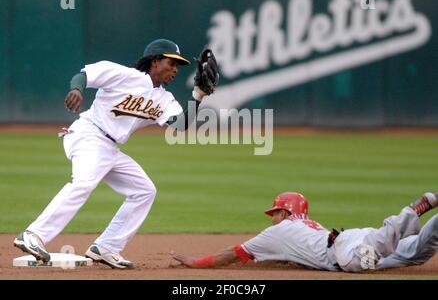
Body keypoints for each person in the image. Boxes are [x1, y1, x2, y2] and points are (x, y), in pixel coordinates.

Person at [13, 38, 218, 269]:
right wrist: (77, 90)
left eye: (178, 65)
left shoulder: (164, 99)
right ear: (154, 61)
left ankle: (106, 247)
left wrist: (198, 95)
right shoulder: (123, 75)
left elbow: (180, 124)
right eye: (171, 63)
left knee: (144, 190)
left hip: (109, 148)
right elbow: (84, 76)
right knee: (84, 183)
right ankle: (33, 235)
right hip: (88, 134)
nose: (175, 69)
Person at [171, 191, 438, 273]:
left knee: (380, 242)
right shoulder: (309, 226)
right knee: (415, 252)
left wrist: (194, 262)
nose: (272, 217)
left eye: (274, 211)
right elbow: (290, 255)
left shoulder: (279, 231)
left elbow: (232, 254)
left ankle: (416, 208)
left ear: (285, 213)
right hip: (351, 242)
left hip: (346, 250)